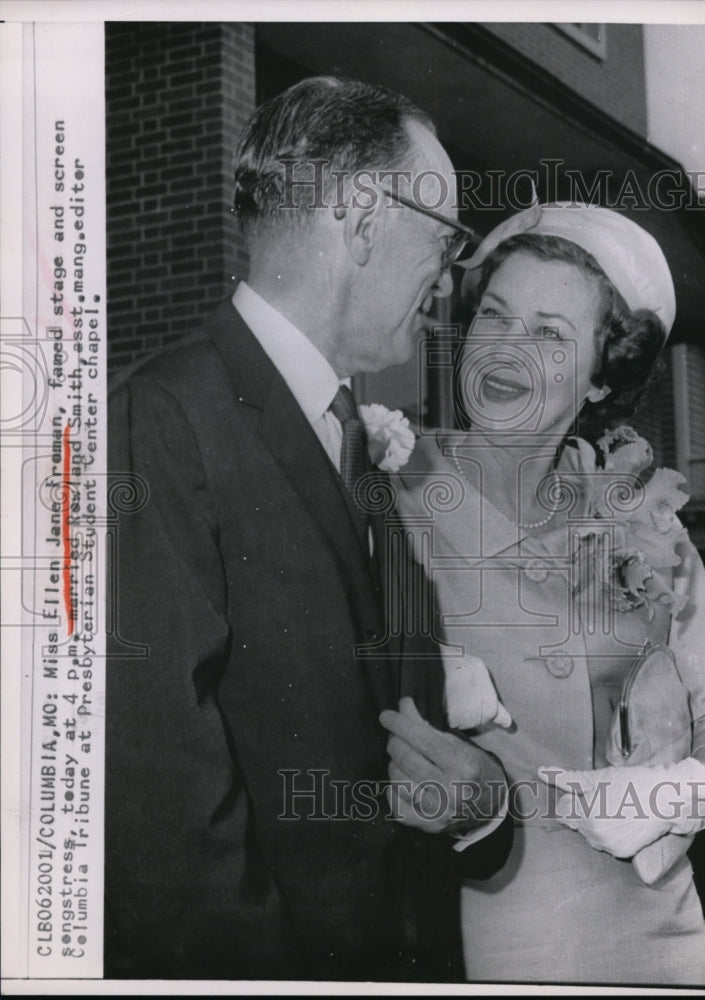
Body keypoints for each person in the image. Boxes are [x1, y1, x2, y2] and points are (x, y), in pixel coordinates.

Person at [104, 76, 510, 981]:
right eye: (444, 238)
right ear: (363, 219)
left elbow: (411, 751)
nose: (447, 281)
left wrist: (479, 807)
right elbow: (161, 818)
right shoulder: (158, 424)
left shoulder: (361, 442)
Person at [395, 201, 705, 985]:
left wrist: (688, 790)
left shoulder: (643, 519)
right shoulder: (388, 486)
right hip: (458, 943)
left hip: (653, 945)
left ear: (599, 377)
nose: (505, 352)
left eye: (550, 333)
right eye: (494, 315)